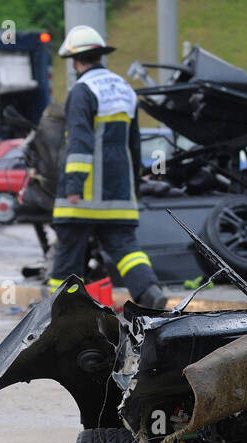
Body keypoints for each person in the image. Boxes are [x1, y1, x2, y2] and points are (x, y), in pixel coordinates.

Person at [49, 24, 167, 308]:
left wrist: (74, 184)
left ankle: (58, 311)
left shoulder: (82, 90)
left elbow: (80, 141)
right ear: (100, 56)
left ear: (75, 61)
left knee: (69, 252)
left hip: (84, 196)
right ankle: (150, 293)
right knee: (126, 249)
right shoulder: (125, 89)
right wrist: (134, 187)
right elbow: (135, 144)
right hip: (119, 195)